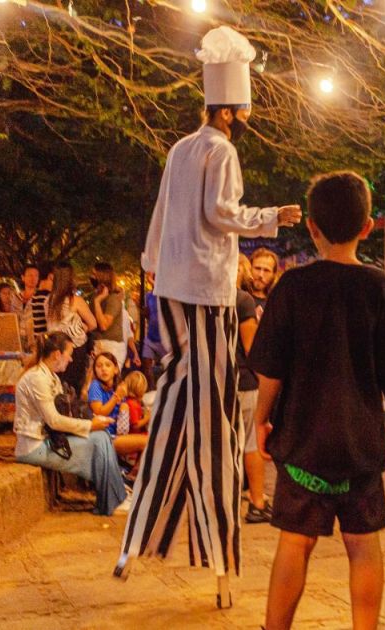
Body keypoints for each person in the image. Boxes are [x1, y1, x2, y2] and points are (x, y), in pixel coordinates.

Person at [117, 25, 302, 591]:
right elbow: (221, 212)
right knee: (212, 409)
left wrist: (153, 264)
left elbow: (160, 213)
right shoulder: (220, 150)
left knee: (183, 396)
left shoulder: (179, 149)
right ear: (228, 111)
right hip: (205, 291)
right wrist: (271, 217)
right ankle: (209, 536)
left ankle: (152, 527)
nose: (247, 116)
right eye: (244, 108)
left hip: (173, 288)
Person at [249, 171, 385, 630]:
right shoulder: (382, 289)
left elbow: (270, 370)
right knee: (363, 543)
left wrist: (261, 420)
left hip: (302, 439)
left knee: (295, 541)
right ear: (367, 227)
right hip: (359, 442)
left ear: (312, 227)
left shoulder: (291, 286)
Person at [14, 333, 128, 515]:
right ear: (57, 355)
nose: (71, 359)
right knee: (98, 440)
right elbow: (54, 420)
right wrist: (90, 426)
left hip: (49, 440)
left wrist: (92, 423)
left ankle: (115, 497)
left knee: (102, 436)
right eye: (69, 354)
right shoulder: (37, 378)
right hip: (34, 446)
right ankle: (113, 500)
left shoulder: (50, 376)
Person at [235, 254, 271, 524]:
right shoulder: (242, 300)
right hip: (243, 381)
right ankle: (257, 502)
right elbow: (252, 349)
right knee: (251, 443)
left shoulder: (203, 299)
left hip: (214, 382)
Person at [46, 262, 97, 393]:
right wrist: (83, 327)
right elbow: (93, 323)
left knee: (57, 385)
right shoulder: (75, 300)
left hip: (55, 347)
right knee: (74, 386)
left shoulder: (48, 301)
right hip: (75, 348)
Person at [88, 352, 148, 459]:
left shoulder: (118, 386)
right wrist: (116, 397)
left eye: (108, 365)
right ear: (95, 371)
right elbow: (99, 412)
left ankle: (134, 468)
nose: (103, 369)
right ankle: (133, 470)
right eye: (99, 366)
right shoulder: (95, 386)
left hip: (119, 432)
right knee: (147, 441)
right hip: (106, 436)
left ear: (115, 369)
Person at [91, 262, 129, 368]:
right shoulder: (95, 296)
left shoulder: (113, 299)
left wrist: (97, 302)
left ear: (102, 277)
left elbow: (104, 325)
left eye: (94, 274)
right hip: (98, 343)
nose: (91, 277)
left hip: (111, 346)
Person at [140, 273, 166, 386]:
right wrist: (144, 312)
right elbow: (149, 315)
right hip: (151, 337)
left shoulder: (166, 295)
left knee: (168, 368)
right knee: (146, 364)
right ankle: (151, 389)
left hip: (164, 339)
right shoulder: (148, 296)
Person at [249, 247, 280, 315]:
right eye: (257, 268)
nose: (260, 275)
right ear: (249, 268)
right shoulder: (237, 297)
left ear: (273, 274)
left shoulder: (277, 303)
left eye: (266, 270)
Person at [29, 262, 54, 341]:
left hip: (39, 341)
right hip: (47, 341)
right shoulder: (48, 297)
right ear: (50, 276)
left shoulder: (35, 296)